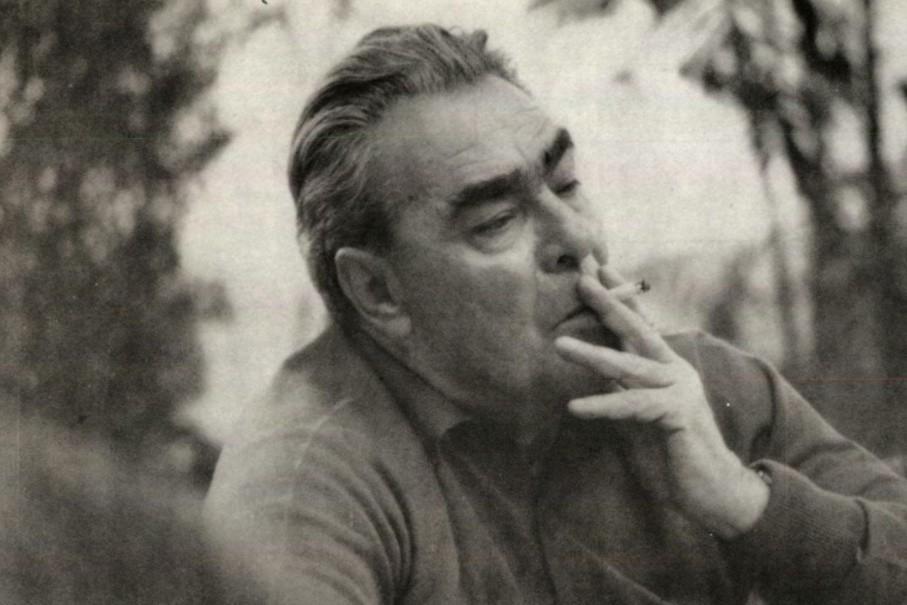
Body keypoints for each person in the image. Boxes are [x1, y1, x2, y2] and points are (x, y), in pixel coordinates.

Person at [204, 24, 907, 604]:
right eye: (497, 221)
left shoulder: (700, 391)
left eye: (566, 184)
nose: (577, 237)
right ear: (378, 293)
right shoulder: (304, 481)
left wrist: (743, 503)